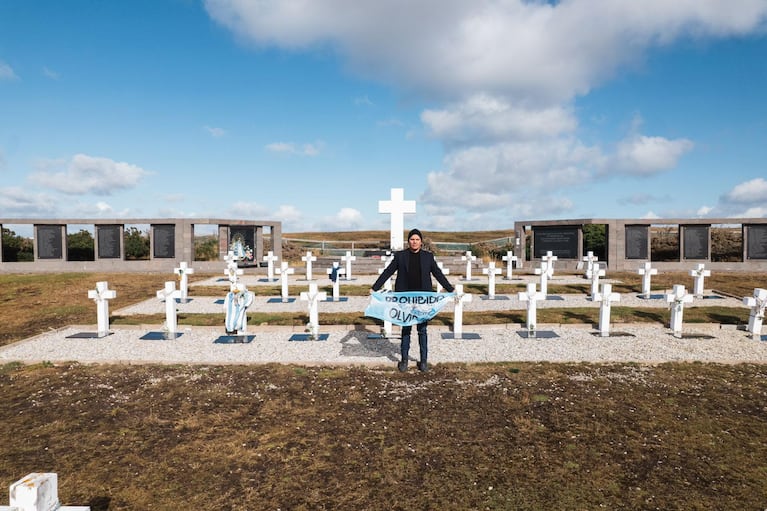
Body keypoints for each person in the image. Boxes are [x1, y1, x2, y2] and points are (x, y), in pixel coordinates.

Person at [371, 228, 454, 372]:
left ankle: (423, 361)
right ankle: (404, 360)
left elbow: (438, 274)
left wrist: (450, 289)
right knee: (406, 329)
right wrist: (375, 287)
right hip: (405, 299)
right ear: (408, 241)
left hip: (423, 299)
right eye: (412, 239)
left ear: (421, 242)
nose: (414, 242)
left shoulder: (428, 257)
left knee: (422, 330)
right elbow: (388, 271)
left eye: (417, 239)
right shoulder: (400, 256)